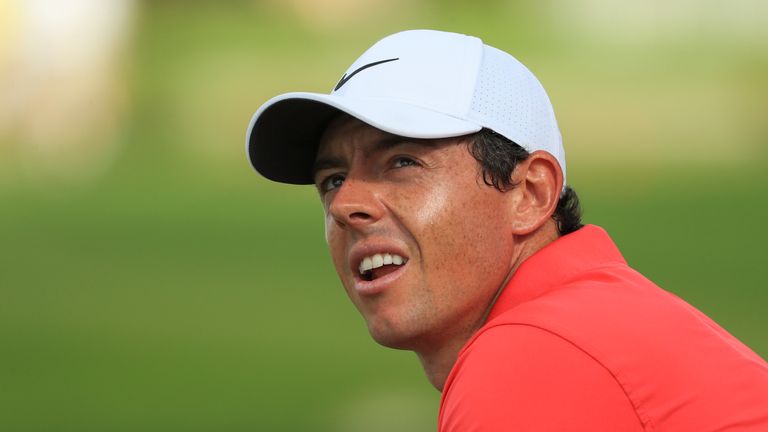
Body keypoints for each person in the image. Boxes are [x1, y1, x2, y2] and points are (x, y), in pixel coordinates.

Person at [245, 29, 768, 431]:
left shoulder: (533, 357)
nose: (345, 205)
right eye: (332, 179)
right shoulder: (590, 321)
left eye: (402, 162)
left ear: (531, 194)